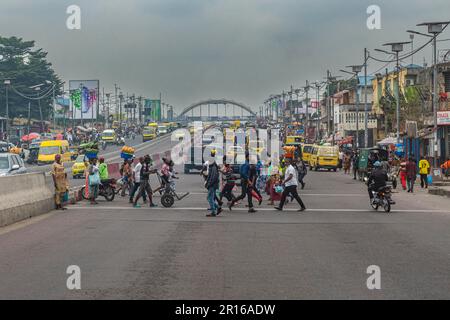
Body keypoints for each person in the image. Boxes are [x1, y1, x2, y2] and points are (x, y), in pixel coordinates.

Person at [205, 150, 222, 217]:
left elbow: (213, 177)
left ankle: (213, 211)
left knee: (210, 198)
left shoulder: (214, 167)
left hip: (212, 185)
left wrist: (208, 184)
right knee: (210, 197)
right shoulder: (212, 166)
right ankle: (217, 208)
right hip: (213, 184)